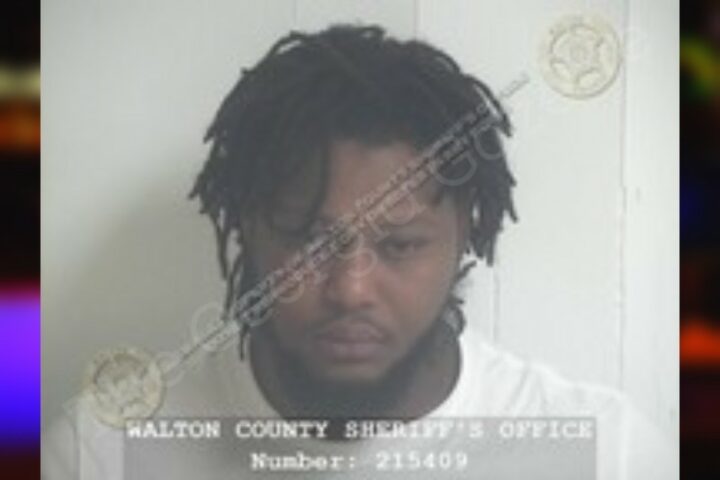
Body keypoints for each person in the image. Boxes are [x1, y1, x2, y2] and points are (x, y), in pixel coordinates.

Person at [42, 25, 675, 479]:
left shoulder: (606, 455)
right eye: (305, 237)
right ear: (246, 230)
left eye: (400, 245)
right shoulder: (106, 452)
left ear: (466, 237)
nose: (350, 289)